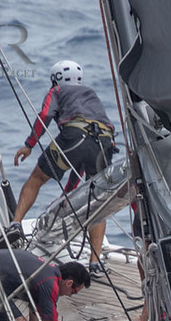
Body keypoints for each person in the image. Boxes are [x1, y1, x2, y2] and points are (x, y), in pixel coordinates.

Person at [10, 60, 118, 269]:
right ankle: (95, 263)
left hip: (75, 134)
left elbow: (45, 114)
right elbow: (79, 162)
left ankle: (15, 224)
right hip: (104, 140)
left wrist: (29, 145)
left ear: (55, 80)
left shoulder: (57, 90)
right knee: (96, 202)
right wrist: (66, 194)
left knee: (37, 178)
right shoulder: (91, 94)